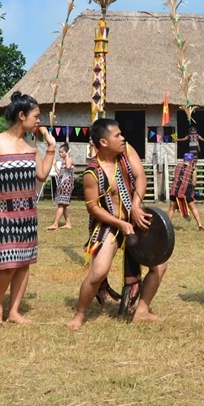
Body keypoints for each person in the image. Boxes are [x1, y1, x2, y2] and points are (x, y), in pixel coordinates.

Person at [66, 118, 165, 330]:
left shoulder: (126, 152)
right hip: (109, 224)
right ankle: (79, 314)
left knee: (160, 264)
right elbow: (93, 208)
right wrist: (119, 223)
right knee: (99, 272)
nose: (123, 138)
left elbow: (140, 178)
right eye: (117, 136)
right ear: (103, 142)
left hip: (134, 216)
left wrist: (136, 206)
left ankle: (142, 311)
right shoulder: (92, 172)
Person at [0, 92, 57, 325]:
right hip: (0, 212)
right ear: (22, 115)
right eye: (36, 116)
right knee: (7, 263)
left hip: (27, 212)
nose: (39, 120)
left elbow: (41, 174)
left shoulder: (30, 145)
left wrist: (51, 148)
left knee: (23, 263)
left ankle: (14, 311)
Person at [166, 152, 204, 231]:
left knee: (171, 209)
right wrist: (192, 191)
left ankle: (167, 225)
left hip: (175, 190)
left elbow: (176, 177)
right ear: (192, 161)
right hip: (186, 191)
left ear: (183, 159)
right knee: (193, 208)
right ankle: (200, 224)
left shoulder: (178, 166)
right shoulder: (193, 170)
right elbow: (194, 183)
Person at [47, 143, 74, 230]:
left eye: (62, 152)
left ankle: (55, 224)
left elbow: (69, 166)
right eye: (59, 152)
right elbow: (60, 174)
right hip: (62, 184)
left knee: (61, 204)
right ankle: (68, 223)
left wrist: (67, 155)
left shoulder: (69, 159)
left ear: (66, 152)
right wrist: (55, 165)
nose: (60, 154)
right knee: (63, 204)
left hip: (66, 185)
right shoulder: (64, 161)